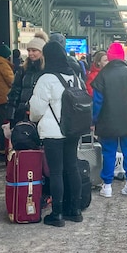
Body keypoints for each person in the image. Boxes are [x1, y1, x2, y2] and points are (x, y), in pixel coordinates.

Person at [29, 41, 84, 227]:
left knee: (56, 172)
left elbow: (36, 109)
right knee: (72, 168)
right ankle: (75, 210)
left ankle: (57, 214)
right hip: (73, 130)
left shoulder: (47, 79)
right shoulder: (75, 77)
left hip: (53, 133)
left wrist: (35, 120)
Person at [91, 42, 127, 198]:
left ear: (110, 56)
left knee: (108, 153)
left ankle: (107, 187)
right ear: (122, 56)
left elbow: (97, 102)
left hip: (108, 121)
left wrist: (93, 120)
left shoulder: (103, 74)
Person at [8, 31, 48, 126]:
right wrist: (11, 116)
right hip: (23, 114)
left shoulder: (47, 70)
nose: (30, 53)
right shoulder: (23, 69)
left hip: (42, 116)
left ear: (42, 52)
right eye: (29, 50)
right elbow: (15, 92)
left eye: (34, 50)